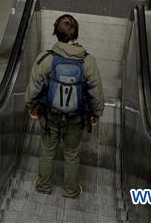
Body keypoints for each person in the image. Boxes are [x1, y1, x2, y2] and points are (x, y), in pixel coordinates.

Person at [25, 14, 104, 199]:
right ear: (76, 34)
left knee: (47, 150)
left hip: (50, 115)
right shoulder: (88, 61)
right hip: (76, 118)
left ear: (55, 33)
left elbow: (34, 89)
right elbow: (95, 92)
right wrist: (96, 113)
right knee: (72, 153)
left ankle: (44, 185)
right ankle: (71, 190)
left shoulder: (45, 59)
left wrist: (32, 106)